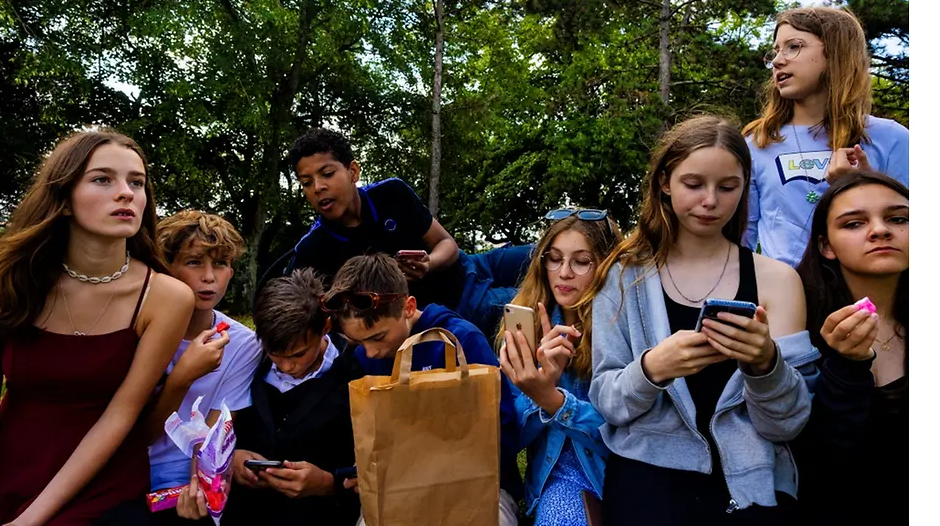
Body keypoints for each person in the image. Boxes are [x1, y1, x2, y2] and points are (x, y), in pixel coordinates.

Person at [588, 115, 820, 525]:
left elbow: (789, 423)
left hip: (751, 489)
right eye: (693, 184)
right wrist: (652, 368)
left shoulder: (778, 280)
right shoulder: (623, 277)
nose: (710, 201)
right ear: (664, 182)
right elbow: (608, 402)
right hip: (647, 486)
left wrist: (766, 366)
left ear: (745, 186)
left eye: (727, 187)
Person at [0, 130, 194, 525]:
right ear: (64, 198)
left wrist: (30, 520)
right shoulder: (8, 279)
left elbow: (122, 415)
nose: (125, 193)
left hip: (101, 482)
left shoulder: (167, 298)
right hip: (5, 463)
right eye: (103, 179)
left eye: (136, 183)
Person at [259, 127, 533, 339]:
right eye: (306, 182)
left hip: (472, 264)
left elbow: (446, 243)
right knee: (544, 301)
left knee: (548, 255)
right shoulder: (312, 250)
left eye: (327, 174)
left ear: (353, 171)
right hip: (461, 303)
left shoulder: (392, 193)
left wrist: (429, 263)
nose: (317, 187)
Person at [324, 253, 524, 526]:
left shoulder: (461, 340)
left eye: (378, 337)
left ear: (408, 307)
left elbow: (506, 428)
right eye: (360, 343)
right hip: (399, 490)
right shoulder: (365, 359)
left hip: (480, 487)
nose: (370, 352)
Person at [742, 6, 909, 268]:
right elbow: (743, 238)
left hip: (867, 295)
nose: (777, 61)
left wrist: (860, 185)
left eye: (793, 46)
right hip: (786, 296)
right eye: (775, 51)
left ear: (835, 53)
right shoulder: (758, 144)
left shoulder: (891, 138)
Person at [791, 171, 908, 524]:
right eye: (854, 223)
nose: (880, 230)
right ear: (826, 246)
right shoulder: (799, 327)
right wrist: (846, 366)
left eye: (898, 219)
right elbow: (817, 460)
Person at [497, 208, 621, 525]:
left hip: (621, 474)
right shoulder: (527, 328)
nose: (564, 272)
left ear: (606, 266)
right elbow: (512, 441)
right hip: (561, 475)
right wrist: (534, 392)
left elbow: (625, 434)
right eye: (554, 258)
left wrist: (553, 400)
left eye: (581, 261)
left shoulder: (623, 327)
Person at [145, 211, 263, 525]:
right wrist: (182, 376)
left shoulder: (243, 343)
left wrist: (200, 489)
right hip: (130, 472)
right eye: (195, 262)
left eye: (220, 264)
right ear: (166, 267)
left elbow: (213, 440)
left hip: (189, 482)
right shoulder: (137, 331)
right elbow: (142, 434)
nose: (209, 277)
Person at [222, 270, 364, 526]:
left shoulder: (356, 378)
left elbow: (372, 469)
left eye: (298, 354)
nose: (287, 366)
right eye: (276, 354)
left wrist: (327, 484)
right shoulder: (246, 364)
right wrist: (232, 458)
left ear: (325, 327)